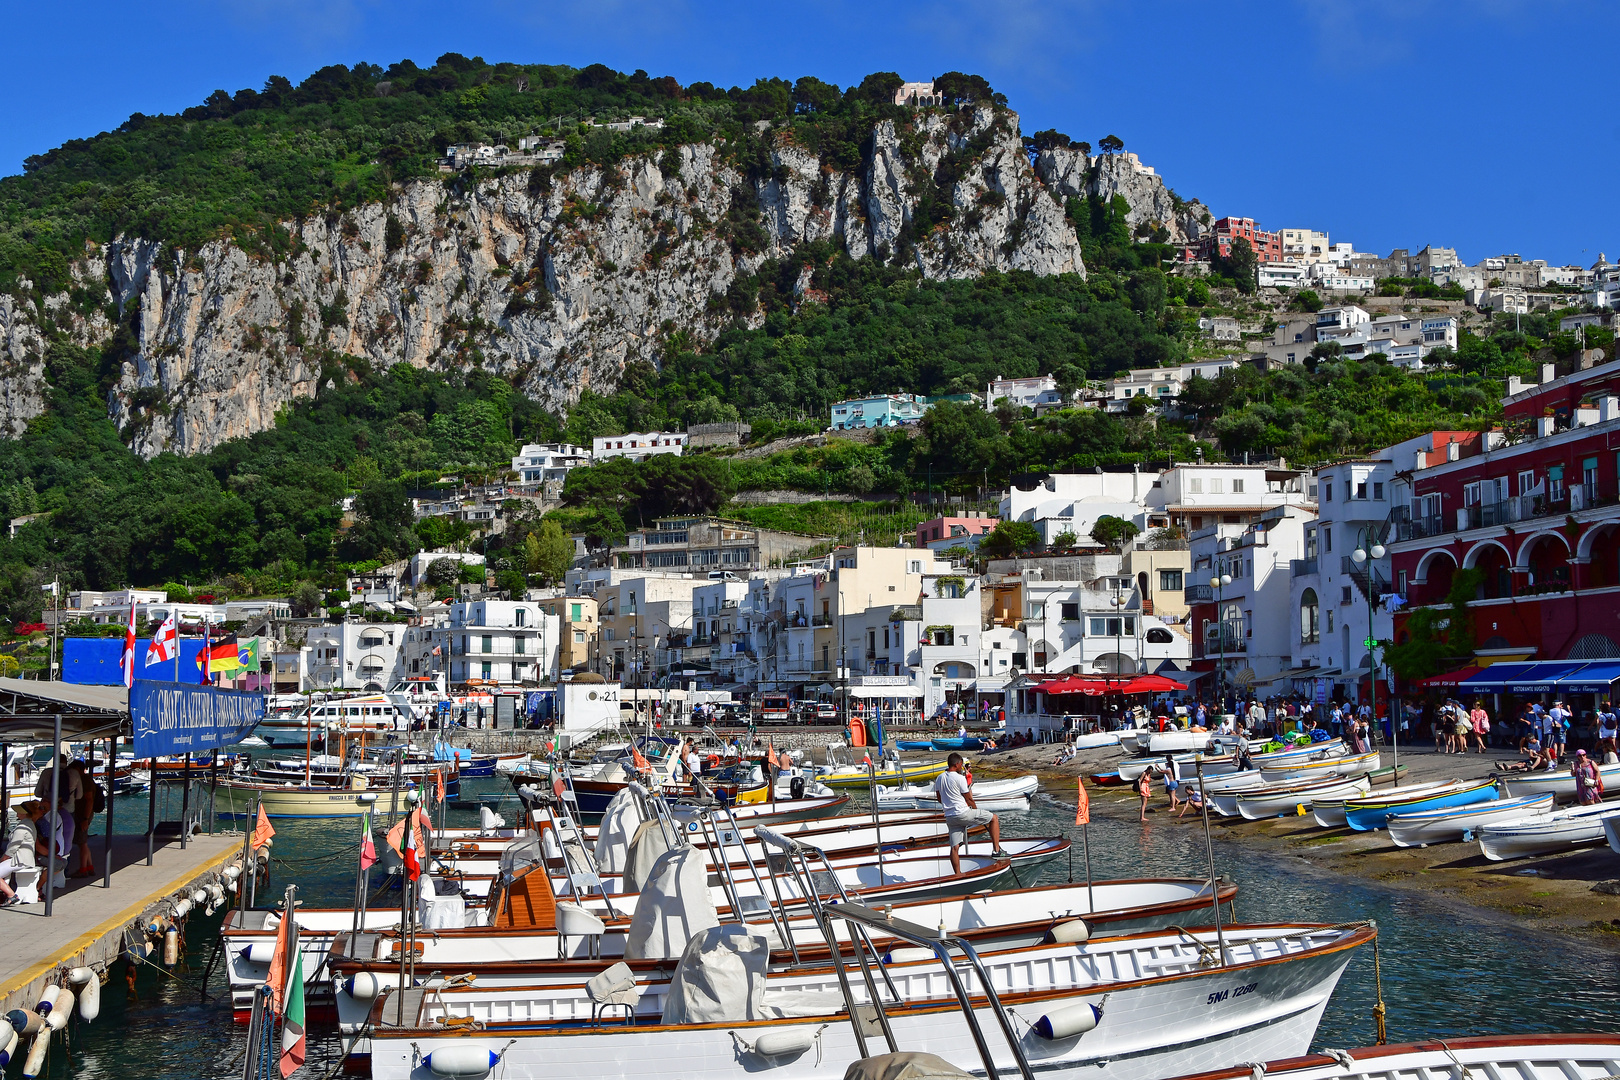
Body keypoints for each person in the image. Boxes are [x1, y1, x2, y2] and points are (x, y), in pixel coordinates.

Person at [934, 754, 1006, 874]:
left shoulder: (939, 778)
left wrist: (948, 805)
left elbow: (939, 798)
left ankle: (958, 874)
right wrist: (976, 810)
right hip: (963, 813)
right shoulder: (959, 778)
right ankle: (997, 850)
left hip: (950, 817)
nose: (961, 766)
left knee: (954, 848)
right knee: (993, 818)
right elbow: (969, 799)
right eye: (961, 764)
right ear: (956, 764)